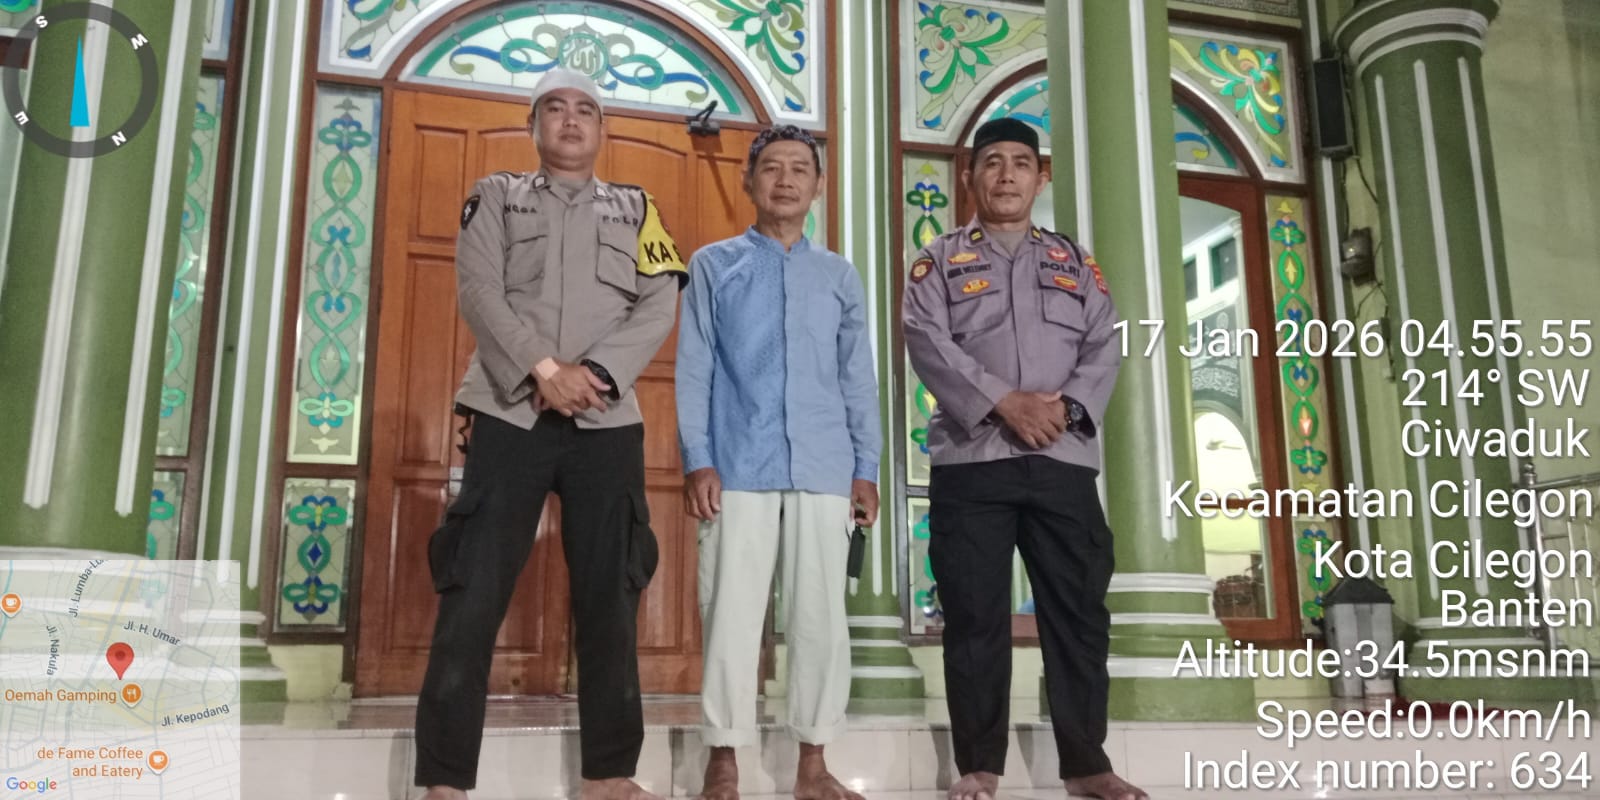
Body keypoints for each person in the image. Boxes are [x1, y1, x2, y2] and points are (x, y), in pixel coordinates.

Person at [414, 67, 686, 800]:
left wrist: (590, 374)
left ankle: (609, 775)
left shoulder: (639, 208)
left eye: (586, 110)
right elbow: (478, 291)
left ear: (603, 128)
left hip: (606, 419)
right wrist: (543, 369)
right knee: (472, 591)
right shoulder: (495, 195)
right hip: (510, 413)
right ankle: (443, 781)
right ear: (532, 124)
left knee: (612, 594)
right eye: (555, 108)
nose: (571, 120)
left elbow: (660, 302)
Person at [901, 117, 1144, 800]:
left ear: (1041, 178)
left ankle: (1086, 764)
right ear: (969, 177)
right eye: (991, 163)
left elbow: (1104, 342)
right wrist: (1004, 402)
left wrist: (1065, 410)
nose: (1006, 174)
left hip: (1062, 460)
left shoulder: (1075, 262)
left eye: (1020, 163)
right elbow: (926, 339)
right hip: (971, 461)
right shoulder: (937, 261)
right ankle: (979, 766)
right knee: (974, 617)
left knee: (1078, 614)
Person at [676, 125, 880, 800]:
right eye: (771, 168)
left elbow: (857, 378)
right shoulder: (714, 265)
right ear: (749, 181)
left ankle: (813, 766)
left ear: (818, 186)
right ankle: (724, 760)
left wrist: (867, 466)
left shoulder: (839, 275)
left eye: (800, 169)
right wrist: (698, 457)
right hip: (738, 462)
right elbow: (695, 367)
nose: (785, 179)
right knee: (730, 613)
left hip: (825, 465)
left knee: (821, 618)